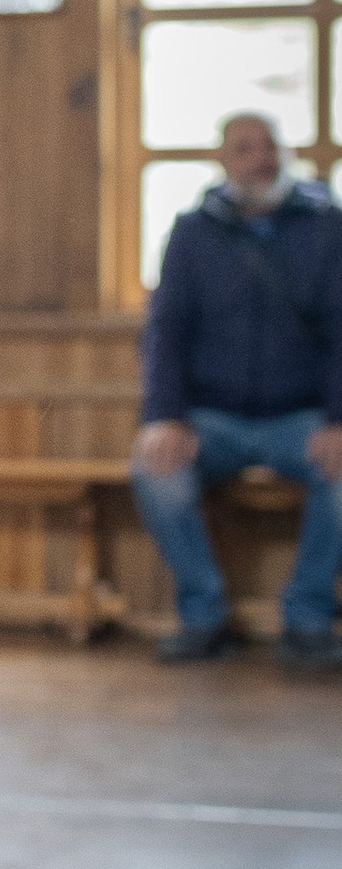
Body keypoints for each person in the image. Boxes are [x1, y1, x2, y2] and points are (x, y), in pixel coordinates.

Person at [131, 111, 342, 668]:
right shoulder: (193, 232)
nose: (261, 157)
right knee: (157, 472)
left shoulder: (328, 226)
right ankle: (203, 616)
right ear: (223, 160)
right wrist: (164, 416)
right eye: (245, 148)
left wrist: (339, 420)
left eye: (269, 145)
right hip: (212, 418)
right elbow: (165, 330)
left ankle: (309, 620)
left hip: (301, 417)